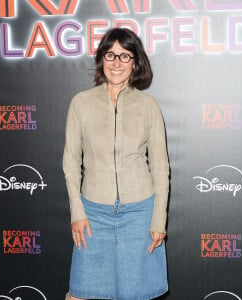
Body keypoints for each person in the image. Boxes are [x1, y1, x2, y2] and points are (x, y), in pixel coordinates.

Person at [63, 28, 170, 300]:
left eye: (125, 56)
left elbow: (160, 167)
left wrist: (159, 218)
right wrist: (77, 211)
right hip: (92, 214)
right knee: (80, 293)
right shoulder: (81, 103)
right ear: (101, 59)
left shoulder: (148, 106)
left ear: (135, 62)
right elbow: (71, 163)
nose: (116, 63)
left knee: (135, 293)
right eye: (110, 54)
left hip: (139, 213)